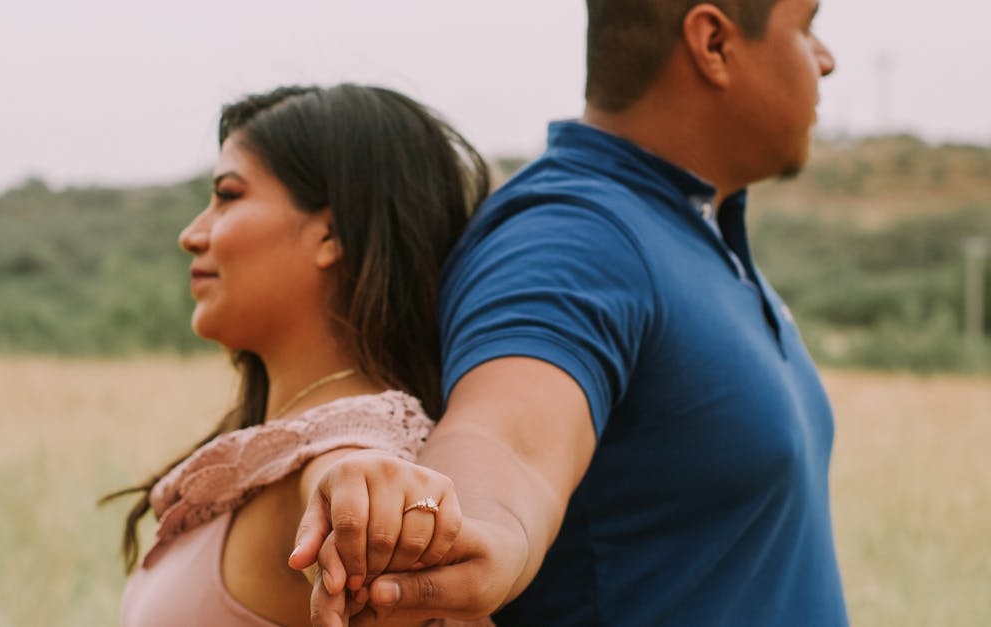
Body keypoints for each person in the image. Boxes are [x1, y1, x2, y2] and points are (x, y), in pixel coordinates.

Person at [292, 0, 848, 624]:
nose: (826, 61)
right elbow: (504, 438)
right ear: (713, 43)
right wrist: (469, 527)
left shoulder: (694, 227)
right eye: (806, 28)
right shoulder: (572, 235)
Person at [104, 83, 490, 626]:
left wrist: (364, 485)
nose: (191, 234)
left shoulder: (353, 451)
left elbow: (349, 469)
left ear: (330, 233)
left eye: (229, 195)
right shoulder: (281, 447)